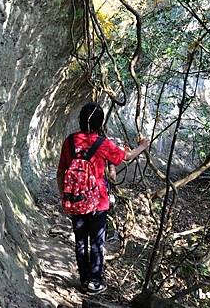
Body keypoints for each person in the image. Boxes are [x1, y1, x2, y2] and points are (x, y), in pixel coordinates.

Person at [56, 102, 149, 294]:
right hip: (98, 201)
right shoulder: (103, 143)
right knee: (97, 241)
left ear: (80, 120)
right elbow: (128, 156)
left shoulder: (70, 141)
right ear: (100, 124)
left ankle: (84, 279)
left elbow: (61, 172)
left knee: (81, 241)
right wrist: (143, 146)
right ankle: (95, 282)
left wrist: (64, 195)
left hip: (75, 198)